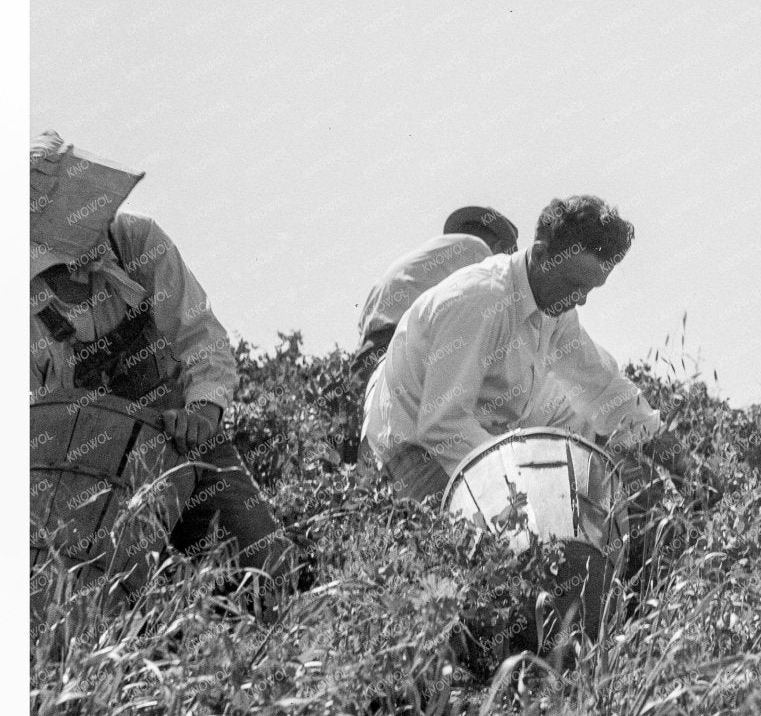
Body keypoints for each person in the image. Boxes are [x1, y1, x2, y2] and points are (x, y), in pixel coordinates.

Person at [29, 132, 296, 599]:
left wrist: (202, 414)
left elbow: (201, 335)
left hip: (184, 444)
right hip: (89, 479)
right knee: (100, 602)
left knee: (267, 565)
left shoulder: (137, 243)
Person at [358, 195, 685, 502]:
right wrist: (524, 481)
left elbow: (601, 386)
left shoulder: (556, 310)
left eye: (589, 289)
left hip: (464, 445)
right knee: (527, 525)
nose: (581, 299)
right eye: (574, 285)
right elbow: (443, 426)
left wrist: (668, 449)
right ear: (541, 255)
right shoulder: (479, 301)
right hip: (411, 454)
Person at [344, 206, 520, 462]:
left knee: (363, 452)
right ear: (498, 246)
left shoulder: (418, 263)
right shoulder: (477, 257)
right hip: (397, 353)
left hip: (370, 356)